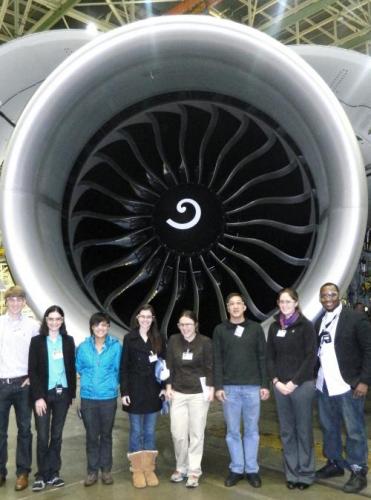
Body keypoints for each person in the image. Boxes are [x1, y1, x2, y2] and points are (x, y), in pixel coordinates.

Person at [315, 282, 371, 494]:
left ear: (339, 296)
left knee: (354, 430)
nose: (328, 297)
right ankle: (335, 463)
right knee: (329, 428)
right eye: (324, 295)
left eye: (332, 294)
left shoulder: (355, 318)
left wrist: (364, 380)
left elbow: (369, 349)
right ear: (320, 298)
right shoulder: (320, 320)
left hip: (348, 385)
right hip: (324, 385)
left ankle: (358, 471)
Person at [213, 292, 269, 489]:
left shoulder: (255, 329)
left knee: (252, 431)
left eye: (238, 303)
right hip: (230, 389)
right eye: (231, 304)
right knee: (233, 431)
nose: (235, 307)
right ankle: (237, 468)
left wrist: (265, 385)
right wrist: (218, 386)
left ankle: (252, 469)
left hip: (253, 387)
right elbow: (217, 360)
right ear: (227, 308)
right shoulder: (220, 330)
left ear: (244, 307)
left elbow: (263, 357)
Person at [266, 288, 317, 490]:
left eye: (288, 301)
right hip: (280, 386)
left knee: (303, 430)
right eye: (281, 302)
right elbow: (269, 357)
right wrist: (276, 381)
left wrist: (293, 382)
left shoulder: (306, 326)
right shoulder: (273, 327)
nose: (284, 305)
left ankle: (305, 473)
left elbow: (310, 357)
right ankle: (292, 473)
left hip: (301, 385)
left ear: (296, 302)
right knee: (287, 431)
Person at [28, 305, 76, 491]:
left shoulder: (68, 341)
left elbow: (71, 368)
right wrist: (38, 397)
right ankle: (41, 475)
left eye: (58, 319)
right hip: (43, 395)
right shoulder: (37, 341)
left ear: (62, 321)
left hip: (62, 394)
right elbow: (33, 370)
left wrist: (71, 393)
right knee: (42, 436)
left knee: (56, 436)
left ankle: (54, 473)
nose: (54, 322)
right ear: (45, 320)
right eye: (51, 319)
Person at [165, 310, 213, 488]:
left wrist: (211, 388)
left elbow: (210, 367)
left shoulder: (205, 342)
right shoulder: (173, 340)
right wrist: (168, 387)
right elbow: (168, 365)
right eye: (181, 324)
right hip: (178, 393)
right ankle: (181, 467)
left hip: (198, 394)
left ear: (196, 325)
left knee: (196, 434)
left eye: (188, 324)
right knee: (177, 434)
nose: (185, 328)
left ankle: (194, 470)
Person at [120, 304, 165, 488]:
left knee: (149, 432)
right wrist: (124, 392)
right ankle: (137, 469)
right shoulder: (129, 338)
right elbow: (124, 368)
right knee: (136, 432)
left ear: (153, 318)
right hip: (135, 392)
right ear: (137, 318)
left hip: (153, 392)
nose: (145, 319)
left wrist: (164, 387)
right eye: (142, 316)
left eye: (149, 317)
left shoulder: (159, 338)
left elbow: (165, 365)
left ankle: (149, 468)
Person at [76, 312, 121, 487]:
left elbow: (118, 370)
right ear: (92, 328)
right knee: (92, 436)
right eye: (97, 325)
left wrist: (110, 386)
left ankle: (106, 470)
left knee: (107, 435)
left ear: (108, 327)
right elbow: (79, 368)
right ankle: (92, 471)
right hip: (88, 398)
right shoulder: (83, 347)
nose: (100, 328)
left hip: (108, 398)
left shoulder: (116, 346)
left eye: (104, 325)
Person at [0, 285, 39, 491]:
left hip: (23, 385)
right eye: (11, 299)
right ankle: (0, 471)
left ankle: (23, 473)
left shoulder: (33, 326)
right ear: (6, 301)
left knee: (25, 430)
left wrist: (33, 376)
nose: (15, 303)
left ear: (24, 303)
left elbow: (41, 353)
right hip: (1, 384)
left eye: (19, 300)